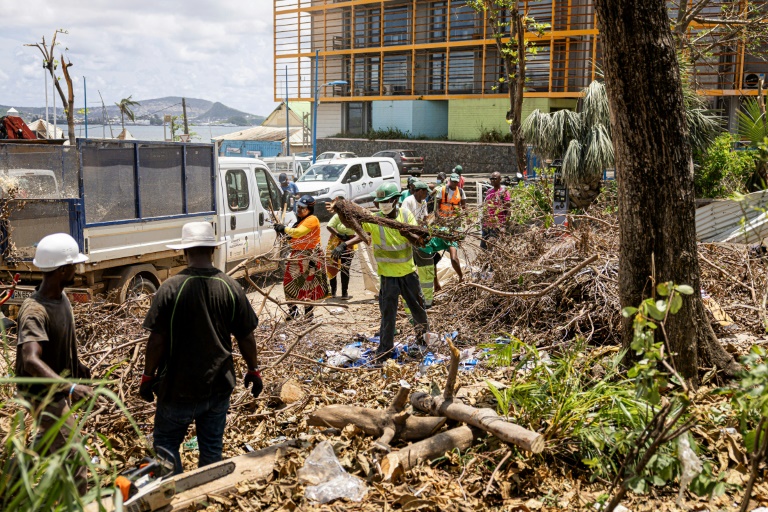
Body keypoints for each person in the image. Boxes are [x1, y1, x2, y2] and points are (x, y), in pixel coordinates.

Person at [140, 222, 262, 474]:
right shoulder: (230, 286)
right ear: (212, 250)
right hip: (217, 387)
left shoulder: (170, 288)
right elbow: (246, 336)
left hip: (177, 389)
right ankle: (207, 498)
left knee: (166, 449)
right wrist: (254, 370)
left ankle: (175, 496)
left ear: (185, 253)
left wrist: (148, 375)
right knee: (211, 450)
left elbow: (157, 340)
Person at [15, 233, 93, 494]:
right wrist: (70, 387)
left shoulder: (61, 298)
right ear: (62, 270)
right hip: (45, 396)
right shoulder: (34, 311)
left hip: (56, 390)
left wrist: (77, 364)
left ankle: (9, 487)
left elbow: (59, 342)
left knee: (41, 445)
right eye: (74, 265)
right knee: (76, 458)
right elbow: (30, 360)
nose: (77, 269)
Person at [332, 183, 429, 363]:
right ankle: (385, 349)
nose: (383, 205)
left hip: (408, 273)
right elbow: (362, 234)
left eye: (387, 201)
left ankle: (423, 342)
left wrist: (404, 230)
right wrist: (344, 244)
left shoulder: (405, 215)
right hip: (388, 277)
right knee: (387, 315)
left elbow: (418, 241)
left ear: (395, 200)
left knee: (418, 311)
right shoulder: (374, 220)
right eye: (381, 202)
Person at [274, 195, 330, 319]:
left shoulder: (312, 219)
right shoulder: (299, 221)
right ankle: (293, 312)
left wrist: (284, 228)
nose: (299, 209)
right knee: (288, 282)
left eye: (302, 208)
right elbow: (294, 237)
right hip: (297, 255)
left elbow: (298, 233)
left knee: (307, 285)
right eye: (298, 206)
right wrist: (285, 234)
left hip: (310, 256)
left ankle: (308, 314)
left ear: (309, 209)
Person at [401, 181, 435, 308]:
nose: (426, 195)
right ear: (420, 191)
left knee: (423, 267)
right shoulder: (408, 201)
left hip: (420, 237)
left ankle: (425, 299)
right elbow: (404, 222)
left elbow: (425, 218)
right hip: (411, 237)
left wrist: (431, 223)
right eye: (426, 192)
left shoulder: (424, 202)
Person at [326, 199, 356, 300]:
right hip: (335, 241)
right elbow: (329, 226)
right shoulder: (337, 215)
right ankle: (333, 291)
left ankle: (344, 292)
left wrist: (347, 239)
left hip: (349, 242)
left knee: (345, 267)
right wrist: (339, 234)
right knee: (331, 265)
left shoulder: (353, 215)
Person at [482, 171, 511, 250]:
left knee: (493, 248)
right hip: (487, 225)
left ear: (500, 179)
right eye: (491, 179)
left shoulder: (504, 192)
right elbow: (486, 207)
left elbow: (508, 210)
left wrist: (504, 226)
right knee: (484, 247)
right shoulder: (489, 192)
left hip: (498, 225)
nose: (493, 180)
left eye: (495, 179)